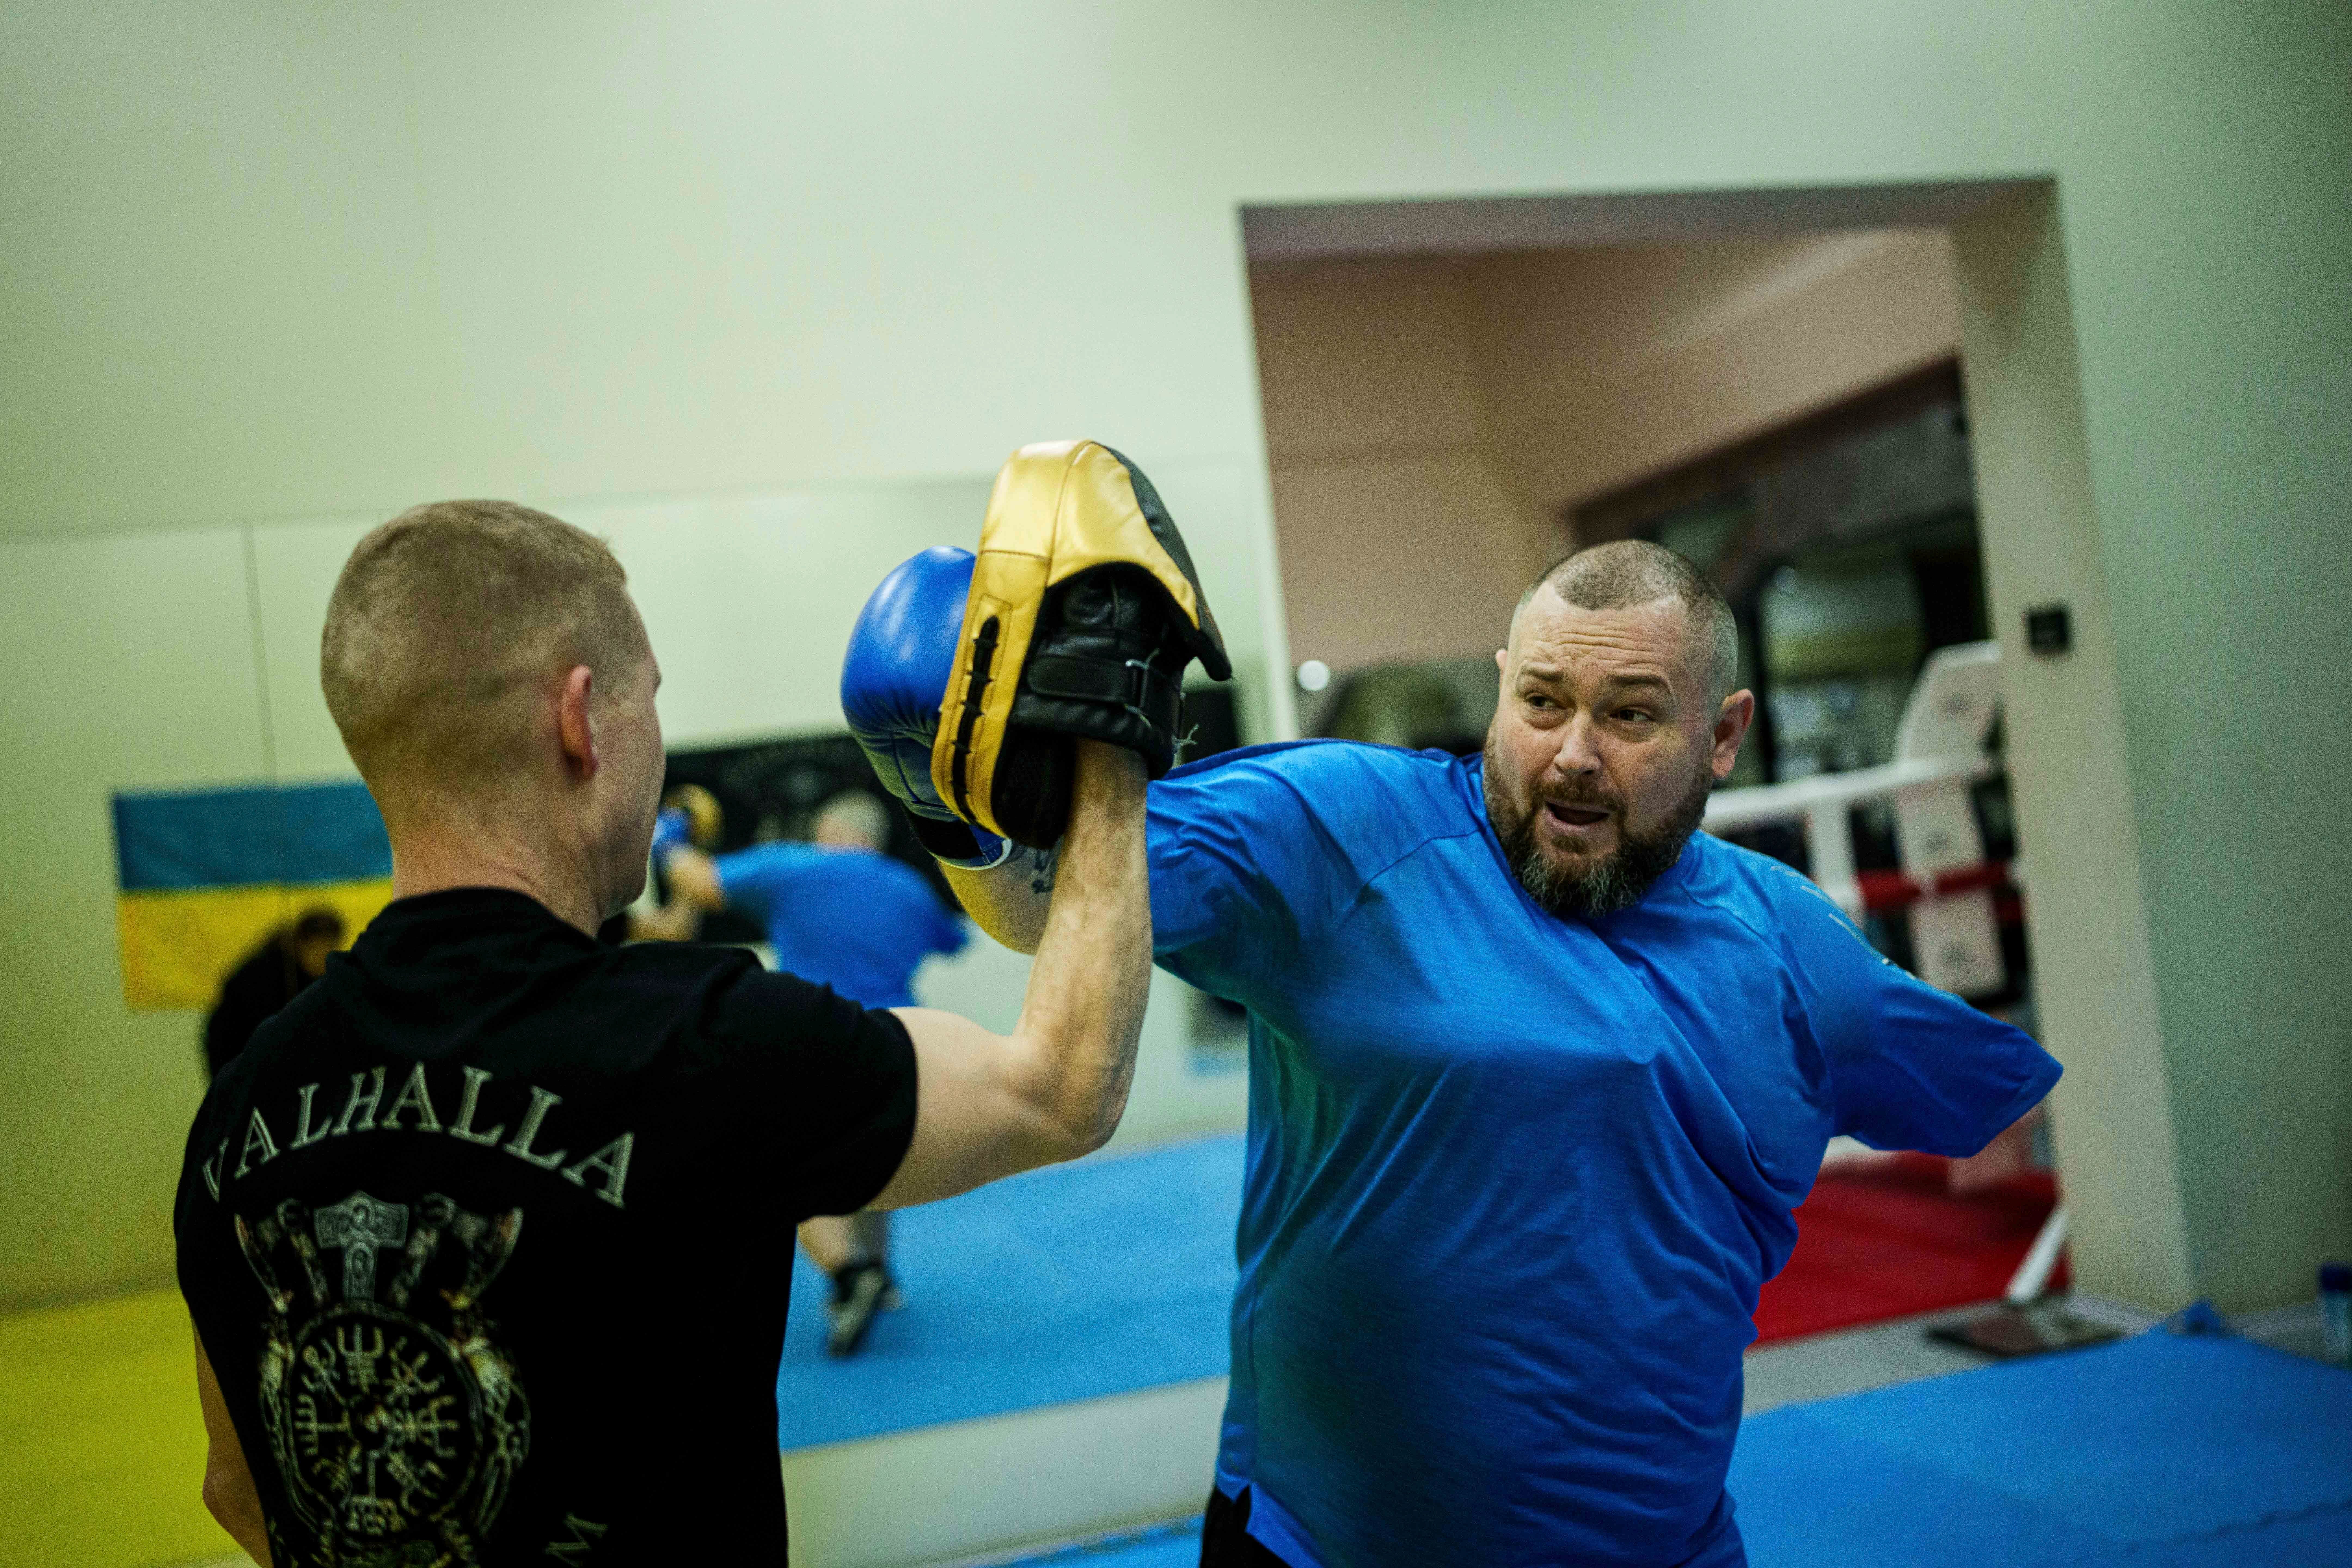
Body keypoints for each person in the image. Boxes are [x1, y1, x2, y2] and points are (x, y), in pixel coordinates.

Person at [851, 537, 2063, 1568]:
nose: (1573, 753)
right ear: (1500, 689)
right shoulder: (1339, 827)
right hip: (1318, 1543)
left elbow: (1993, 1096)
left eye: (1630, 714)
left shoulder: (1791, 945)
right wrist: (954, 792)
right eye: (1541, 702)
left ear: (1723, 734)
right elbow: (1049, 894)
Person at [173, 499, 1162, 1566]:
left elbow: (236, 1490)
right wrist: (1105, 750)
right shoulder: (701, 1046)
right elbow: (1066, 1086)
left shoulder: (236, 1114)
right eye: (649, 699)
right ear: (582, 722)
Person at [662, 789, 971, 1355]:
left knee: (792, 1170)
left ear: (827, 831)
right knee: (879, 1161)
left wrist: (669, 839)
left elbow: (699, 882)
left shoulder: (795, 866)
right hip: (899, 1040)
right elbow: (954, 942)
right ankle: (881, 1273)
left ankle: (851, 1276)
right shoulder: (907, 886)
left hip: (815, 1038)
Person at [201, 909, 346, 1080]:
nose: (323, 958)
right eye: (318, 949)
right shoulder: (260, 978)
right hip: (241, 1068)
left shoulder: (326, 980)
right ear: (300, 945)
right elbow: (233, 1037)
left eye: (331, 949)